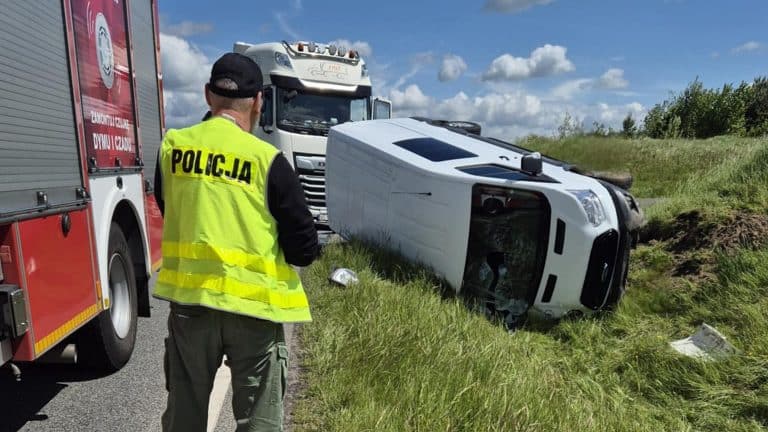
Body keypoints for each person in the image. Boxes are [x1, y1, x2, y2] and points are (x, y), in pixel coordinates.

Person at [153, 52, 319, 432]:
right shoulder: (268, 160)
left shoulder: (173, 148)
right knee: (259, 421)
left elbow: (170, 208)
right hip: (254, 313)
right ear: (258, 101)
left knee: (184, 415)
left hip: (191, 306)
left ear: (208, 95)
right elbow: (303, 249)